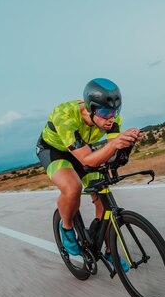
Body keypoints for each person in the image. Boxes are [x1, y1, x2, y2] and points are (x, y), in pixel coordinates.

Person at [36, 78, 144, 271]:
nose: (110, 118)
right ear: (90, 108)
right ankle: (67, 228)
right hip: (54, 150)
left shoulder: (112, 119)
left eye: (115, 111)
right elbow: (87, 160)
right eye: (104, 112)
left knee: (104, 198)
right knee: (73, 188)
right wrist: (113, 143)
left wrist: (127, 144)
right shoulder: (65, 115)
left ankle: (110, 251)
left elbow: (114, 155)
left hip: (83, 148)